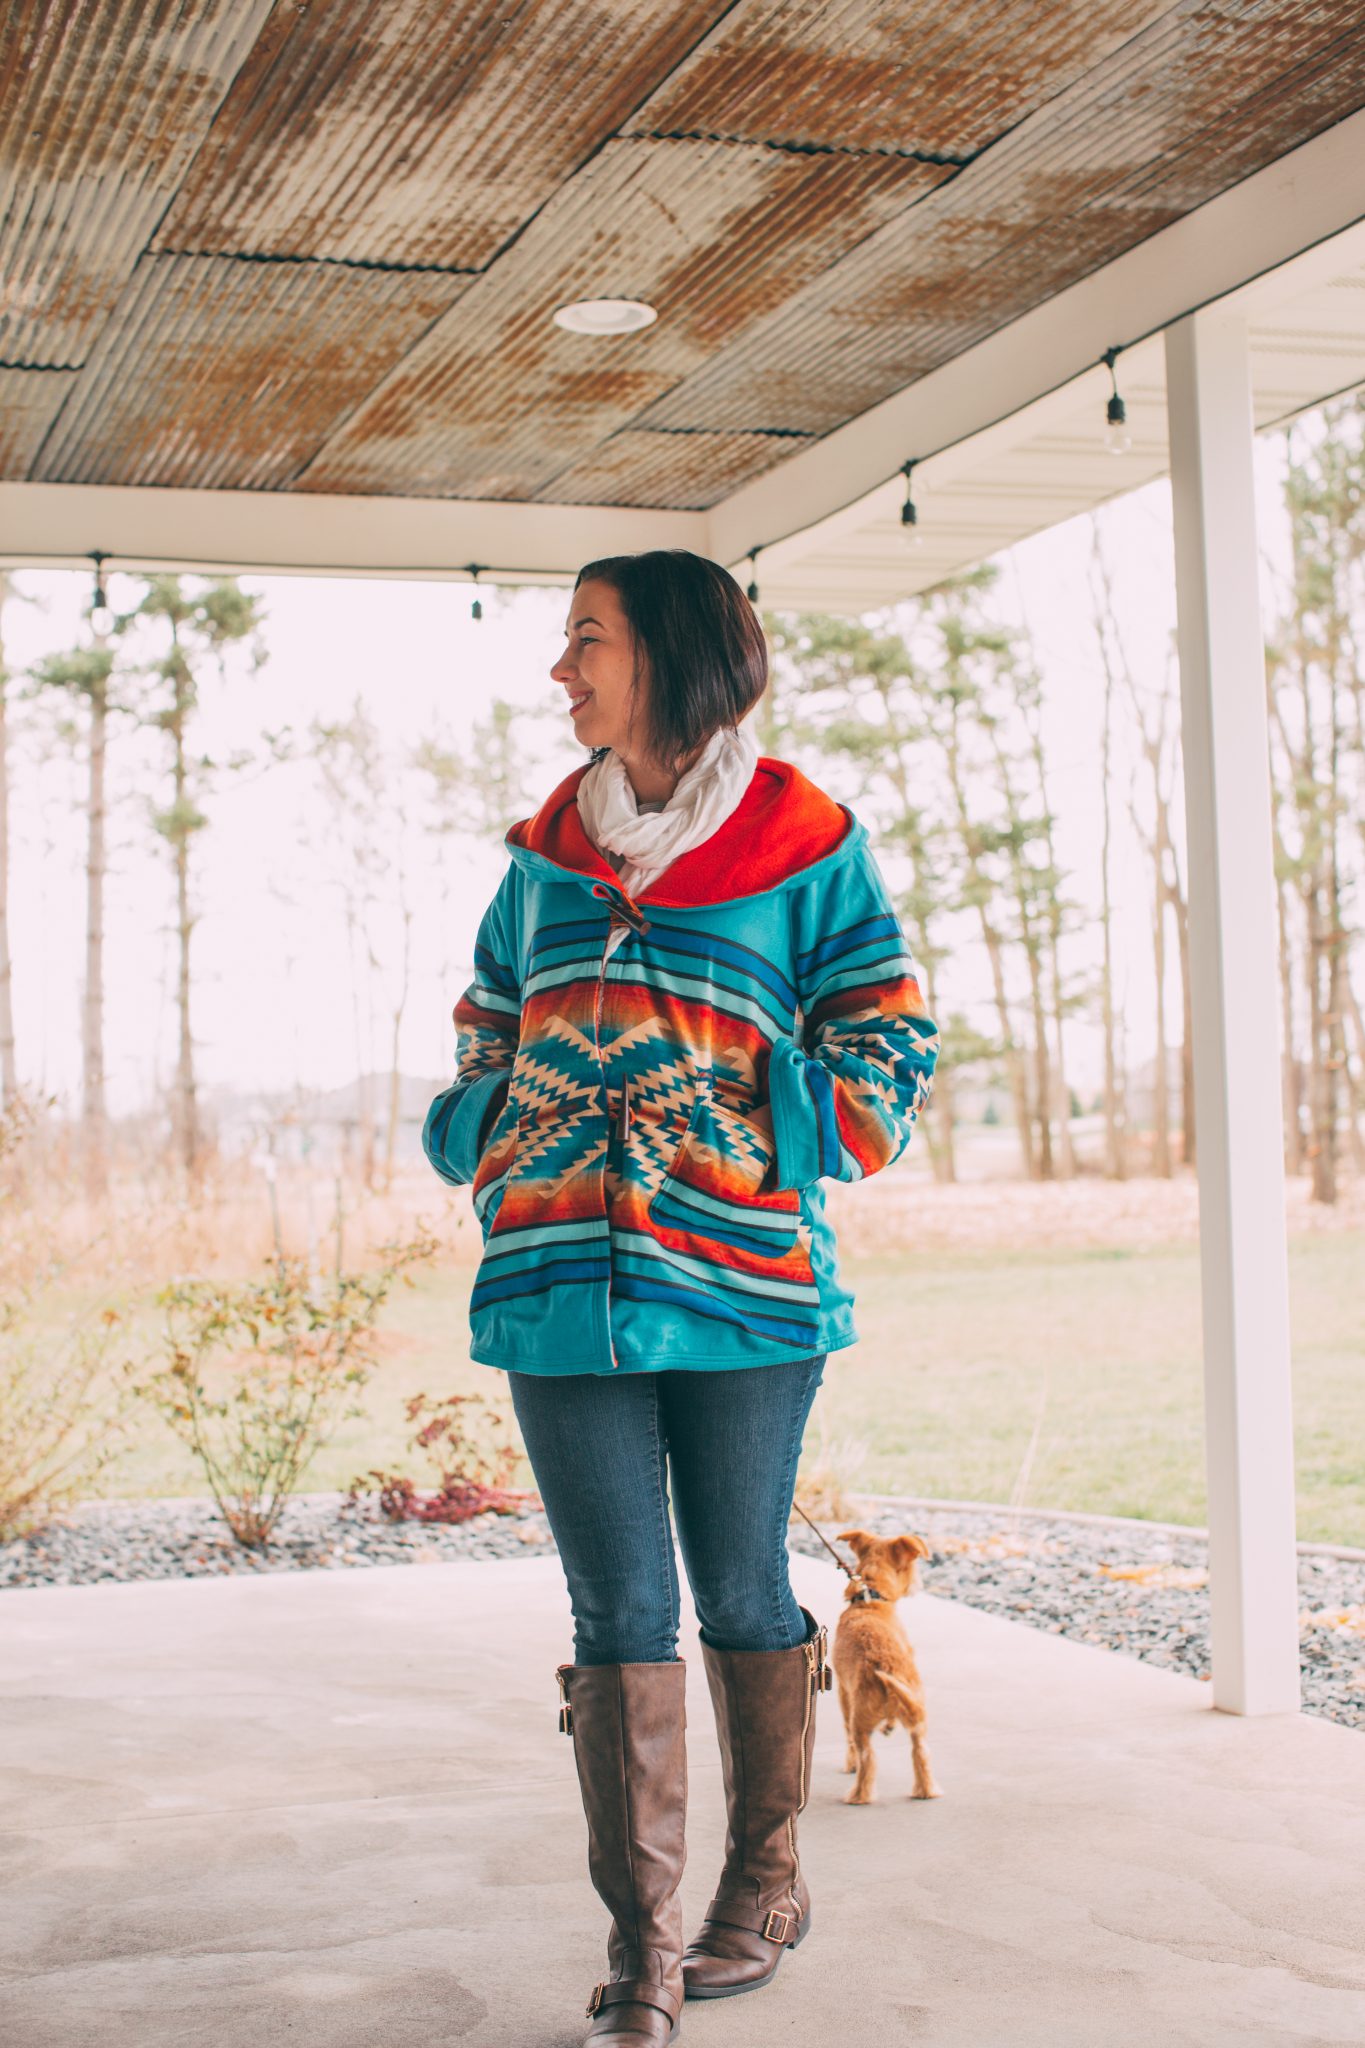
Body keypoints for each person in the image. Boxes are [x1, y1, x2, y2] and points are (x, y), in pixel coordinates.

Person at [423, 550, 939, 2046]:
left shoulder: (808, 846)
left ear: (671, 654)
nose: (559, 669)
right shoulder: (538, 862)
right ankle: (639, 1943)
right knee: (616, 1609)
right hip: (554, 1290)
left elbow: (887, 1044)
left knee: (733, 1590)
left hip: (741, 1290)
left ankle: (760, 1886)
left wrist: (748, 1118)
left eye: (584, 639)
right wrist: (494, 1123)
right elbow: (482, 1028)